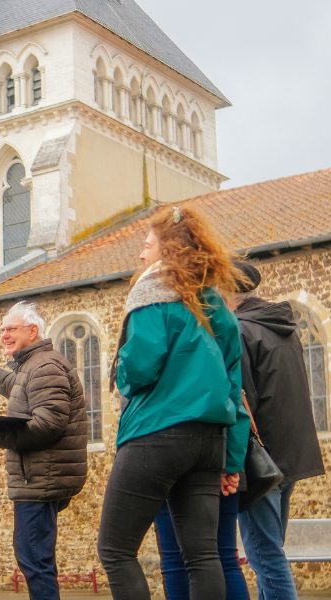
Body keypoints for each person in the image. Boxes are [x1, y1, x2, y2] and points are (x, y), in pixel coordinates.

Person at [97, 204, 250, 600]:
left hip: (157, 433)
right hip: (209, 442)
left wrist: (120, 373)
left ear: (167, 252)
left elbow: (142, 366)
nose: (141, 254)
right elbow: (235, 392)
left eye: (147, 245)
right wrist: (231, 462)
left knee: (115, 550)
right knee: (203, 555)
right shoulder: (219, 308)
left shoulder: (151, 294)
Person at [0, 301, 88, 600]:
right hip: (38, 477)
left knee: (34, 559)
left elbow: (48, 424)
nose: (4, 335)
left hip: (42, 478)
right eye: (1, 330)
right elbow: (18, 386)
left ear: (33, 331)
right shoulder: (35, 366)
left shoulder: (45, 365)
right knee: (33, 557)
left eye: (11, 329)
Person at [233, 262, 325, 600]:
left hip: (262, 462)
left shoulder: (240, 330)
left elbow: (244, 402)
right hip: (289, 456)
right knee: (271, 551)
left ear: (228, 294)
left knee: (265, 556)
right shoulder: (281, 326)